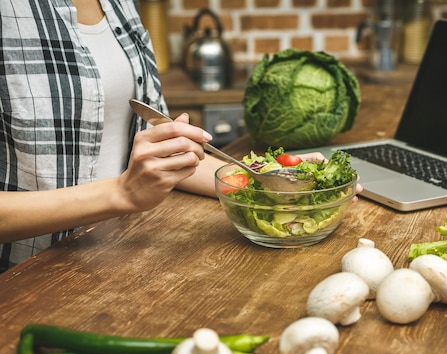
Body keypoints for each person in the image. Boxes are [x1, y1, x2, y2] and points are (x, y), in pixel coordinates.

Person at [0, 0, 344, 273]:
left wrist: (267, 180)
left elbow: (162, 153)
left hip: (122, 254)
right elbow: (130, 188)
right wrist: (122, 193)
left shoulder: (120, 5)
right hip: (29, 277)